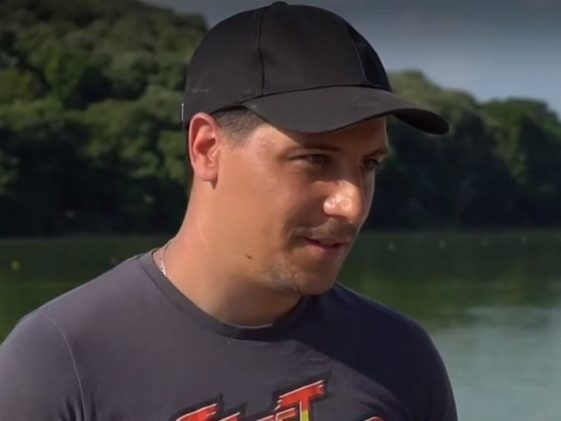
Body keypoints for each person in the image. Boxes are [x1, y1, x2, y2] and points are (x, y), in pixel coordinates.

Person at [0, 2, 457, 420]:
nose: (351, 205)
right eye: (315, 159)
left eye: (369, 164)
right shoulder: (58, 367)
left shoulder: (400, 356)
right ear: (207, 149)